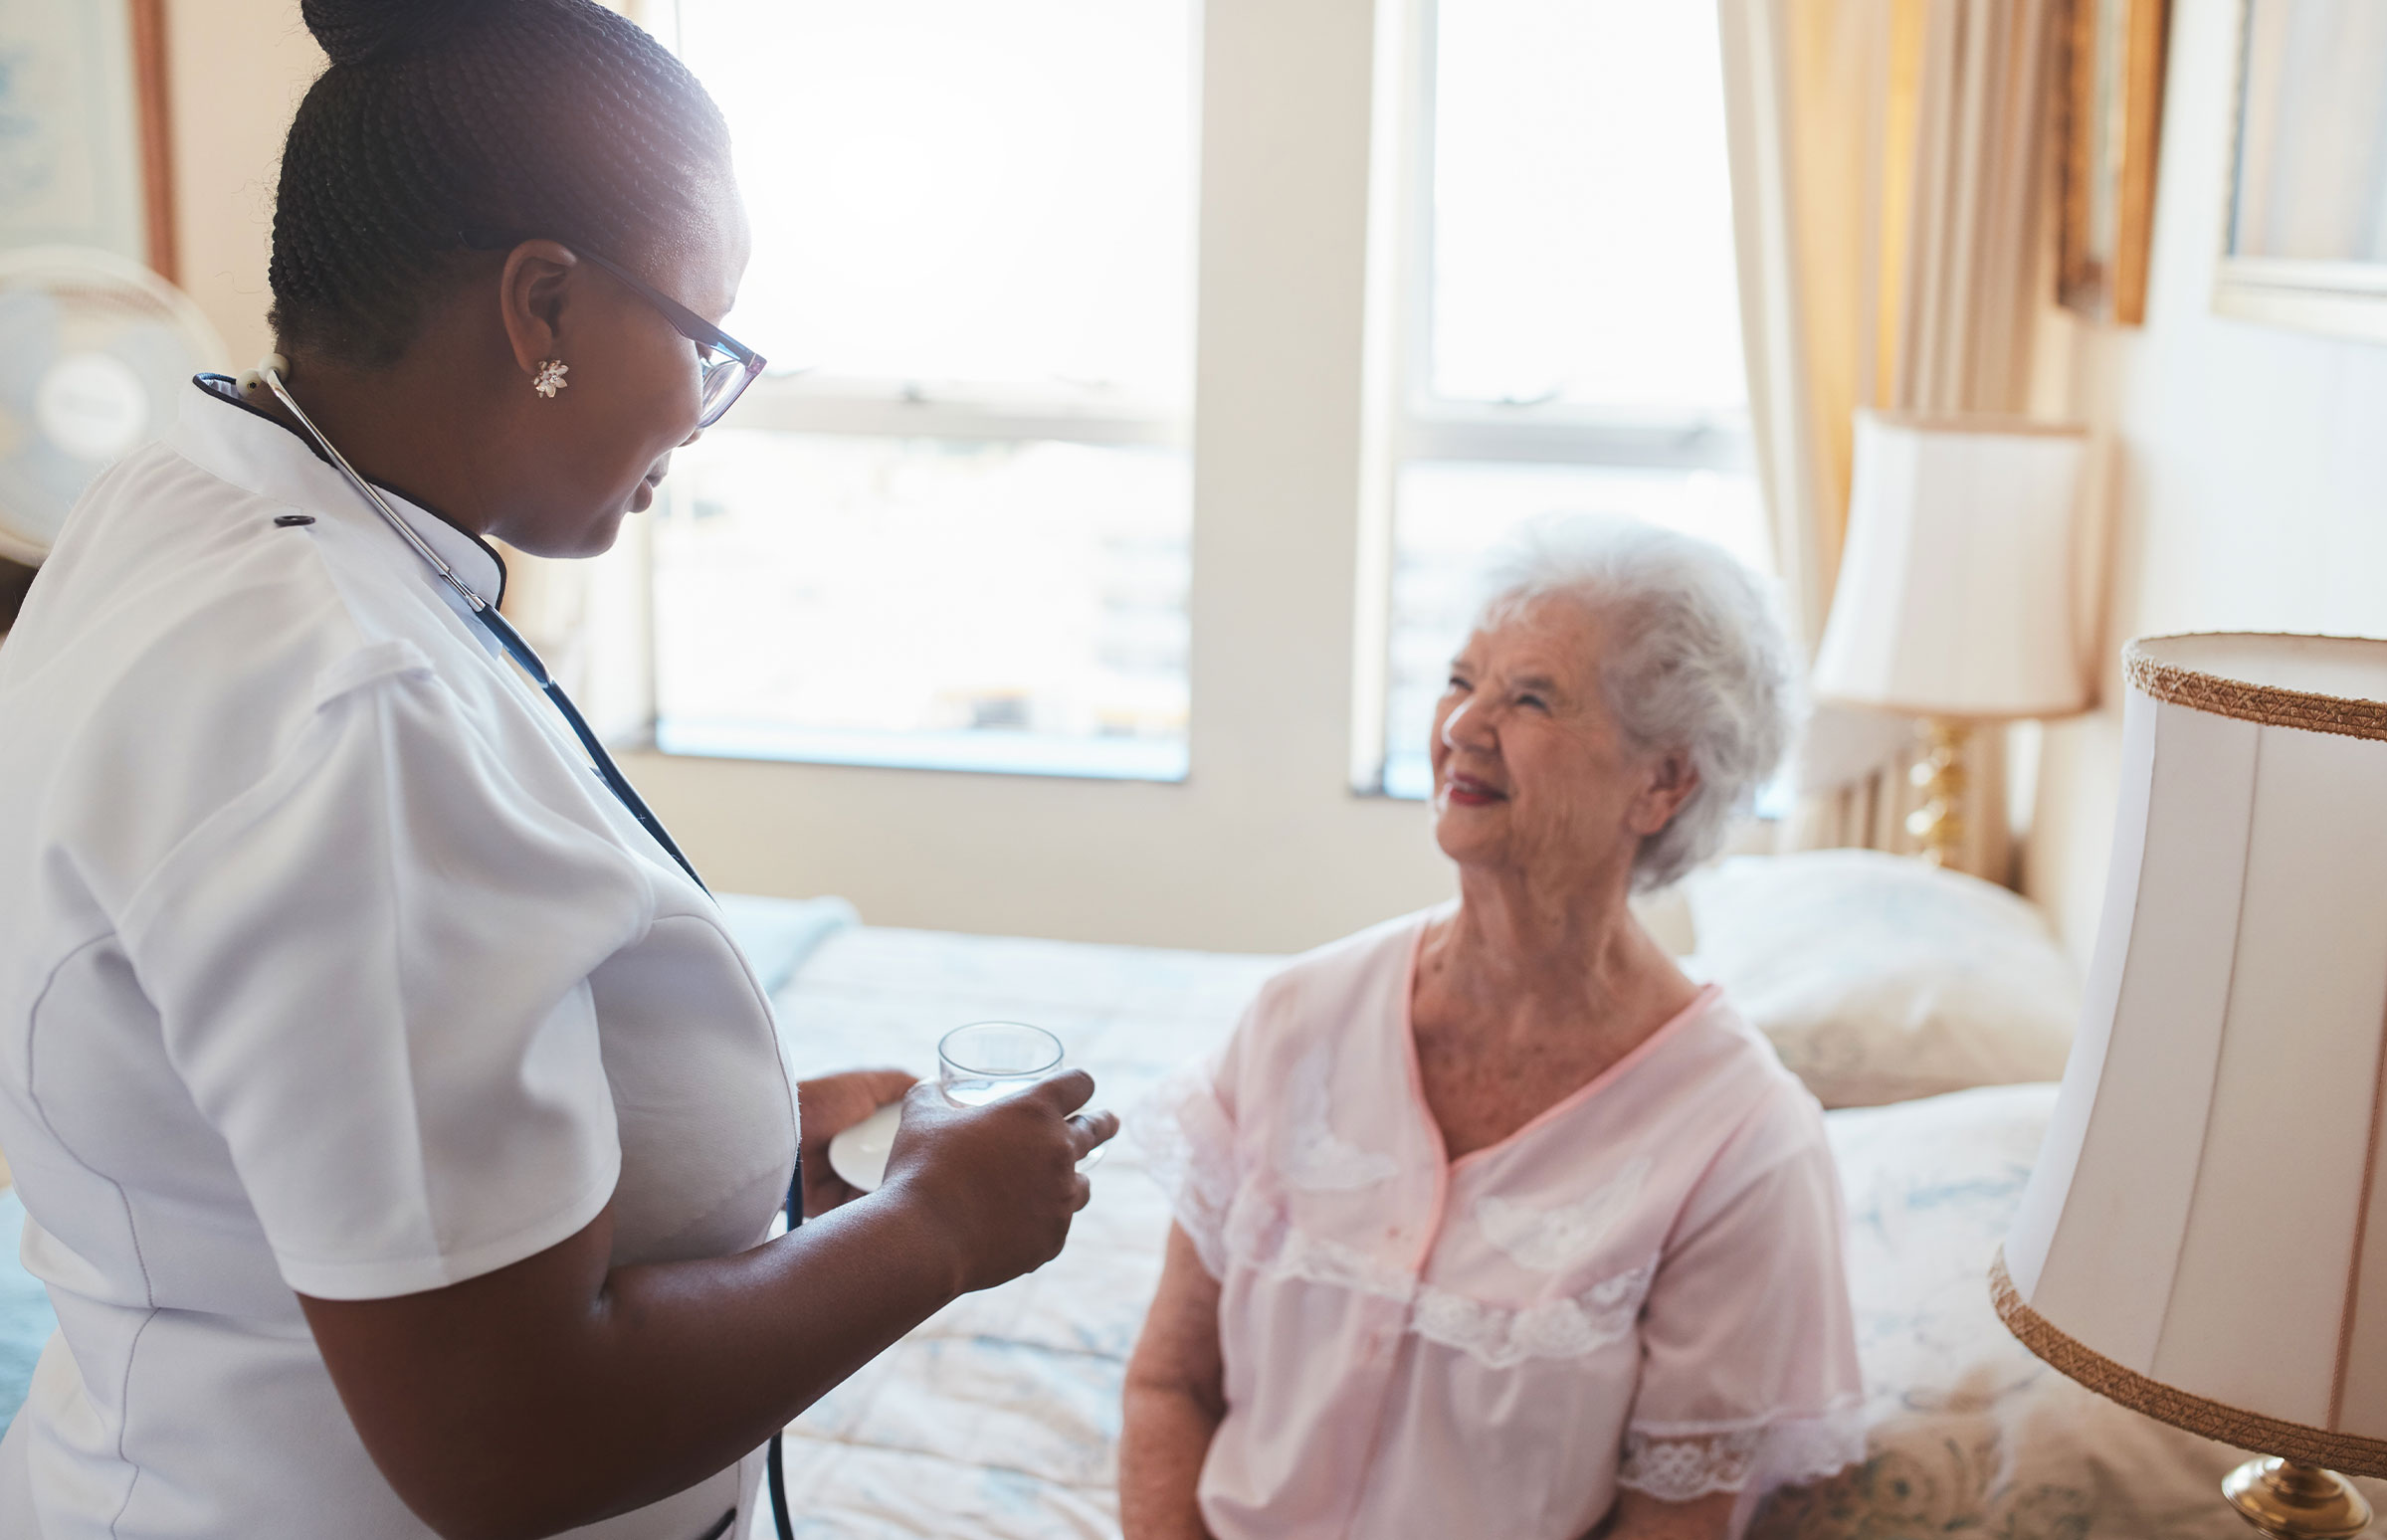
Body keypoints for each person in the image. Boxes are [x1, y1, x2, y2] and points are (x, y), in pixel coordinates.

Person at [0, 2, 1113, 1536]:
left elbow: (296, 1075)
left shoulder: (185, 491)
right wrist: (934, 1229)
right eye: (707, 346)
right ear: (542, 311)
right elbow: (506, 1442)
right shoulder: (353, 711)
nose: (703, 419)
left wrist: (732, 1152)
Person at [1119, 518, 1862, 1540]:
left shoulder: (1742, 1145)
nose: (1464, 726)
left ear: (1663, 783)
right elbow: (1170, 1384)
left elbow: (1670, 1526)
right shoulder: (1300, 1017)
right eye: (1461, 679)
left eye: (1531, 699)